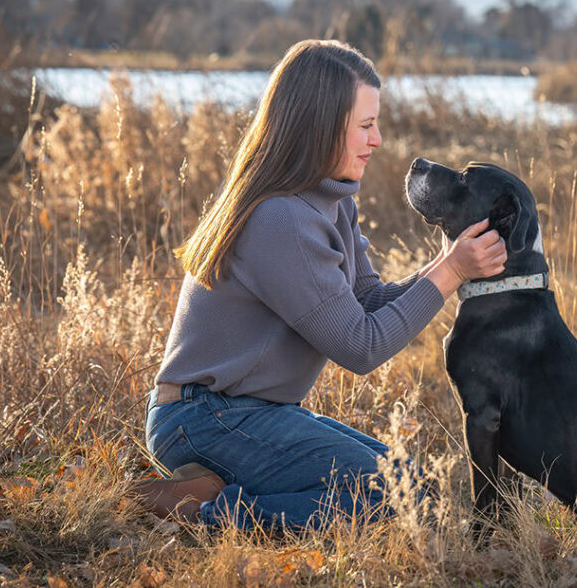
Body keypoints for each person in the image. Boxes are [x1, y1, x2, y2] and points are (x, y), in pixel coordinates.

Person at [134, 39, 507, 531]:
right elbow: (361, 346)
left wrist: (446, 261)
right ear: (321, 126)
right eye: (366, 125)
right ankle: (203, 514)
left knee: (417, 490)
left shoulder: (329, 201)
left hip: (252, 414)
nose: (377, 140)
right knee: (397, 497)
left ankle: (214, 483)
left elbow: (368, 302)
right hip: (204, 419)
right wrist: (451, 271)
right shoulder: (281, 218)